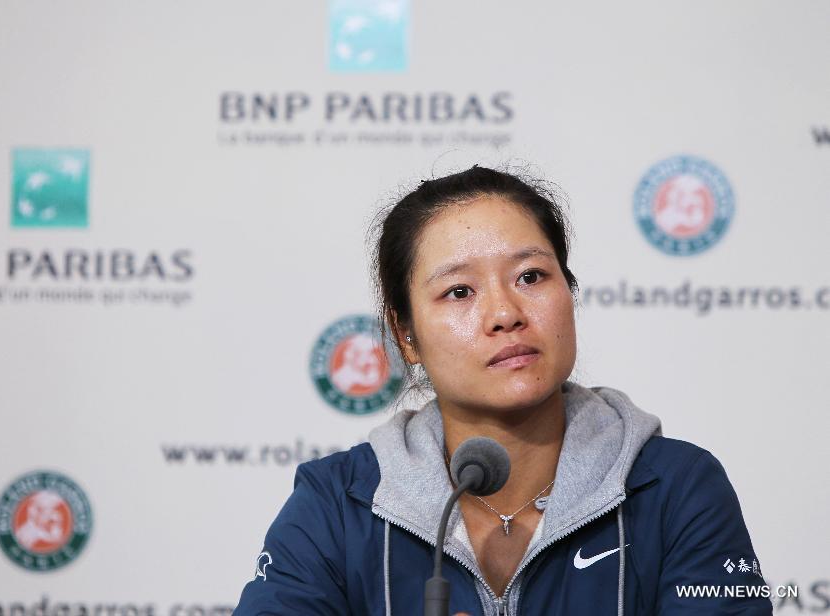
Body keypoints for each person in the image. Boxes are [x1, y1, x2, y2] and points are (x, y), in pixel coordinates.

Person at [235, 166, 771, 615]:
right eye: (459, 291)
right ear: (406, 336)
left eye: (531, 277)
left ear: (570, 290)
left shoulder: (674, 488)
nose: (505, 314)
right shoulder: (339, 502)